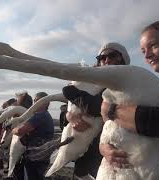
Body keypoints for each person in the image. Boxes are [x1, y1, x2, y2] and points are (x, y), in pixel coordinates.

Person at [100, 19, 159, 180]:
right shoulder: (156, 91)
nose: (147, 55)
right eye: (142, 51)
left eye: (153, 45)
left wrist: (112, 110)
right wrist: (104, 149)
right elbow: (112, 130)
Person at [62, 42, 130, 179]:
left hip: (111, 155)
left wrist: (71, 92)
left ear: (123, 60)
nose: (107, 60)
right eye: (101, 58)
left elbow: (95, 107)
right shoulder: (91, 84)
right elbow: (66, 110)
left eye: (112, 56)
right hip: (85, 155)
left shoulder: (125, 84)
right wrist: (70, 116)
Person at [12, 92, 54, 180]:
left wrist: (13, 129)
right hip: (42, 157)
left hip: (35, 158)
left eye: (37, 100)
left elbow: (20, 131)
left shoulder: (40, 115)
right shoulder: (46, 115)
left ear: (46, 103)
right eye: (34, 100)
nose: (34, 103)